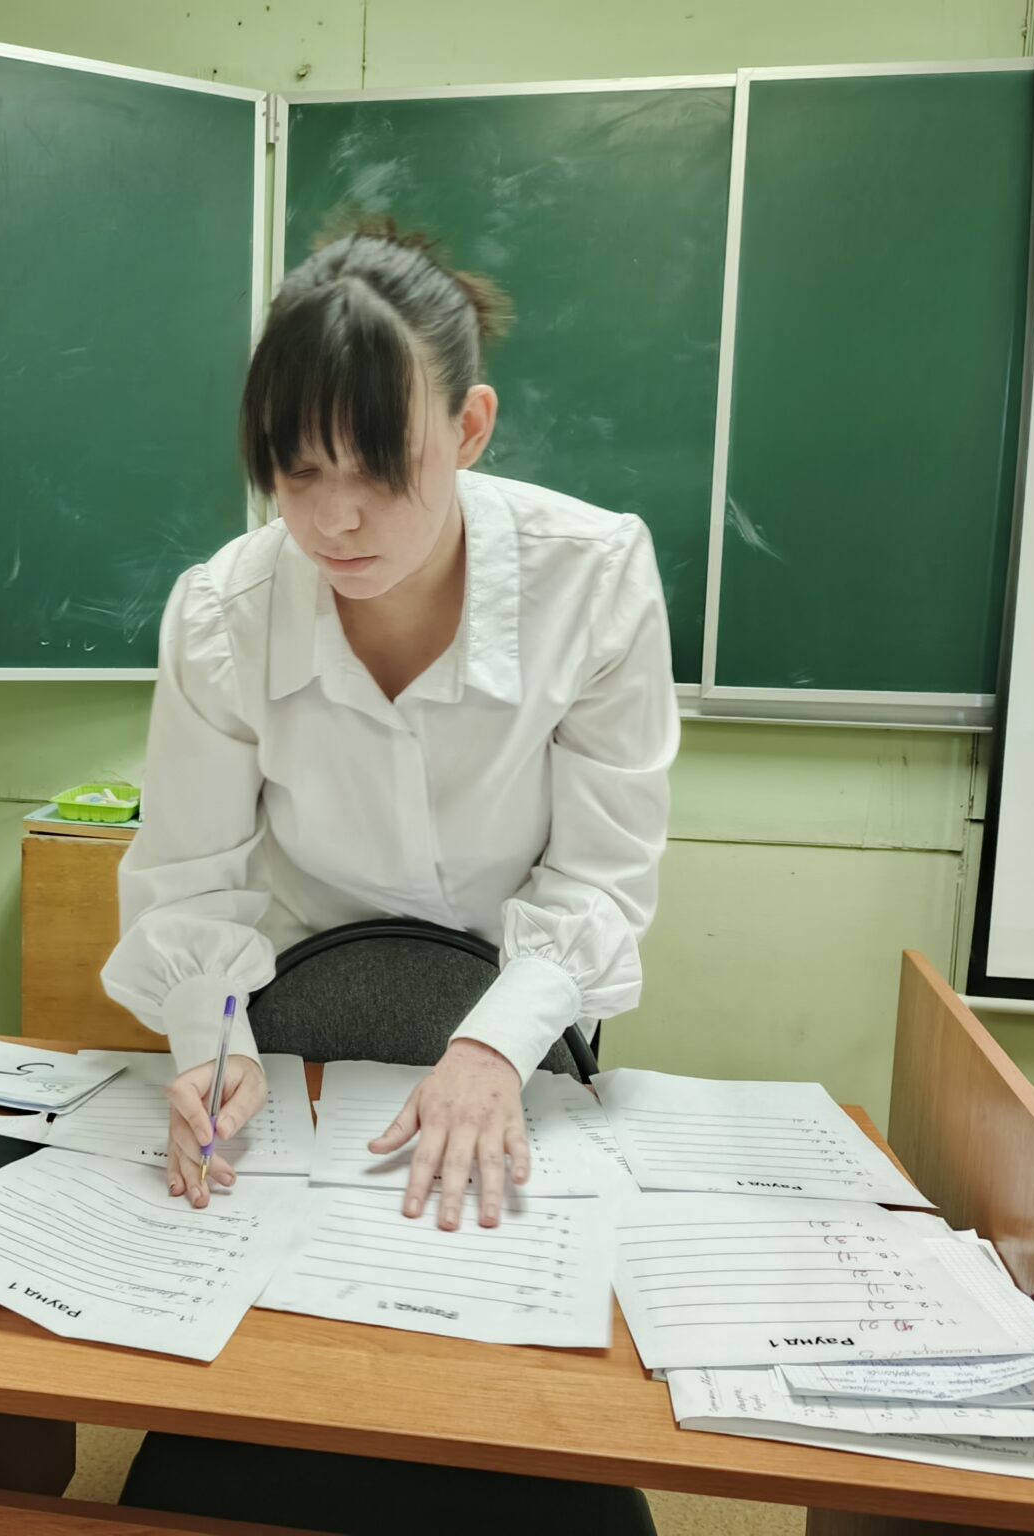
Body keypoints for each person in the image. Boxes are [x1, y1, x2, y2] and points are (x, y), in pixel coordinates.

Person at [101, 219, 677, 1231]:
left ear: (469, 429)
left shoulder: (591, 582)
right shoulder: (223, 615)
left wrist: (493, 1047)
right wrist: (211, 1044)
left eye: (377, 468)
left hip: (514, 1032)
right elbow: (192, 886)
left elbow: (600, 877)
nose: (334, 520)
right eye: (298, 472)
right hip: (298, 1040)